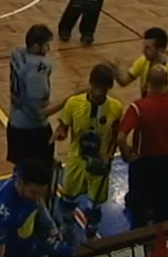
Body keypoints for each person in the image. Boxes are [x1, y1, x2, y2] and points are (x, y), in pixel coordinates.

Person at [111, 27, 168, 208]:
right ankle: (138, 200)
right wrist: (115, 69)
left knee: (152, 183)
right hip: (143, 125)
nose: (143, 51)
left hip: (157, 132)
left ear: (160, 50)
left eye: (148, 48)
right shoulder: (143, 62)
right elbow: (123, 81)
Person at [53, 63, 124, 243]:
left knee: (94, 205)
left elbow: (116, 134)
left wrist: (108, 156)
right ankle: (67, 228)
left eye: (104, 88)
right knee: (68, 198)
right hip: (77, 160)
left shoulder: (116, 108)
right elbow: (63, 126)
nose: (99, 92)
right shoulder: (73, 103)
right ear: (90, 84)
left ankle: (91, 233)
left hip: (100, 164)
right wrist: (60, 132)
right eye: (96, 87)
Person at [117, 65, 168, 229]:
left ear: (146, 82)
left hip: (143, 162)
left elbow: (120, 136)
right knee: (162, 206)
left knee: (139, 210)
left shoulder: (138, 107)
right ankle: (159, 246)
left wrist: (127, 155)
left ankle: (139, 246)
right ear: (167, 82)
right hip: (166, 161)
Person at [7, 24, 79, 168]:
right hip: (32, 131)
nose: (48, 49)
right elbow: (41, 112)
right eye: (46, 45)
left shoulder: (18, 54)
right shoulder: (38, 68)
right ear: (35, 46)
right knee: (39, 172)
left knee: (20, 171)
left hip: (14, 123)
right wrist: (70, 99)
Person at [0, 157, 73, 257]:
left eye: (41, 193)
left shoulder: (32, 193)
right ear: (21, 183)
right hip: (8, 251)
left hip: (27, 243)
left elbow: (39, 202)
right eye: (33, 193)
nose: (37, 197)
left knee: (66, 252)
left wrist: (51, 227)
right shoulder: (2, 212)